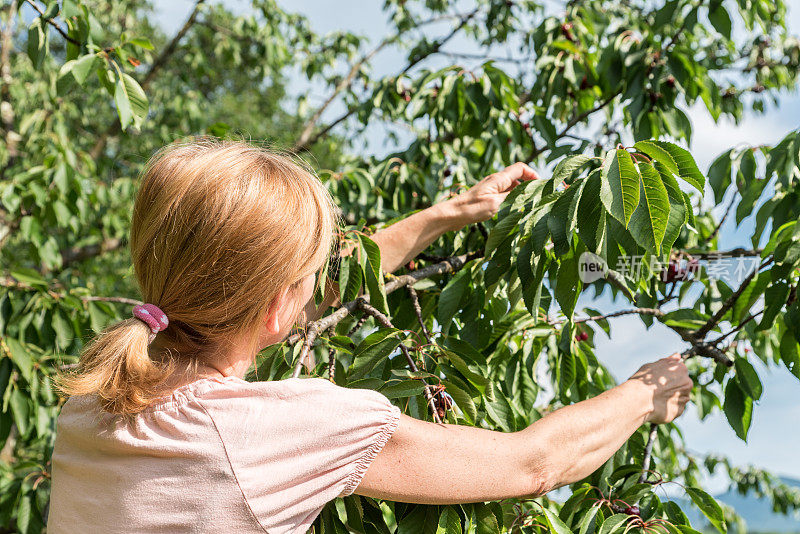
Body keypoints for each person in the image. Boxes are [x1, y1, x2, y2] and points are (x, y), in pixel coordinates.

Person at [48, 139, 693, 533]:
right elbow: (534, 463)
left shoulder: (99, 387)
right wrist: (642, 394)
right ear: (278, 307)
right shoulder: (290, 428)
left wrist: (449, 215)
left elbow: (290, 292)